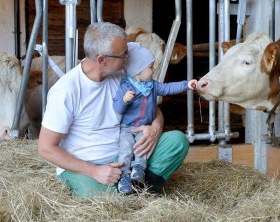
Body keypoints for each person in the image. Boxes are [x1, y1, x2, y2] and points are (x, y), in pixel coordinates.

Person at [37, 22, 189, 198]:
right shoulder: (66, 91)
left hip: (127, 155)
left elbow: (154, 110)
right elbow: (45, 148)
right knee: (101, 198)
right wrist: (94, 171)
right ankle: (137, 189)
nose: (128, 57)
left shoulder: (125, 77)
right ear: (102, 59)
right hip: (86, 166)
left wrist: (155, 127)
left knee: (177, 141)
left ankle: (132, 186)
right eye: (123, 54)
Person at [113, 43, 197, 194]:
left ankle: (138, 170)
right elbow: (117, 108)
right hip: (127, 128)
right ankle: (124, 177)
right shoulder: (125, 87)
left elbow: (168, 88)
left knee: (142, 146)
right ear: (138, 70)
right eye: (151, 67)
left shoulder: (152, 86)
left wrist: (187, 85)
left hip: (144, 126)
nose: (154, 69)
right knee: (125, 149)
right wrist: (125, 100)